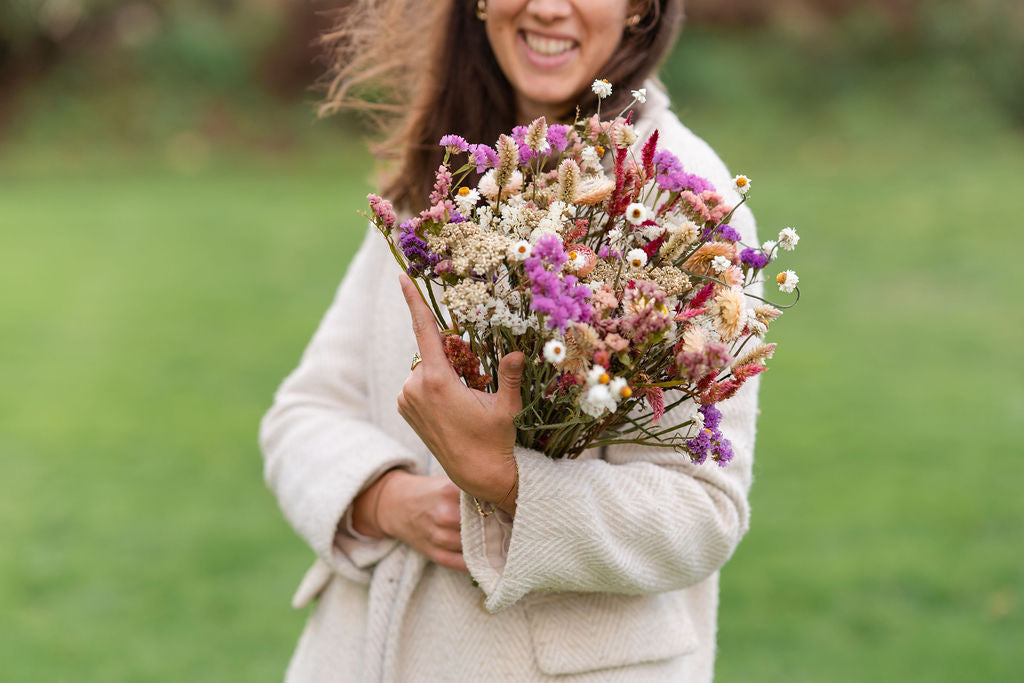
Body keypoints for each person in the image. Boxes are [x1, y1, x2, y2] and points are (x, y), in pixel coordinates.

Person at [260, 0, 761, 680]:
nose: (548, 7)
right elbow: (305, 410)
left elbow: (699, 512)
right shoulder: (445, 175)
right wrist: (386, 500)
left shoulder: (684, 206)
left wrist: (507, 483)